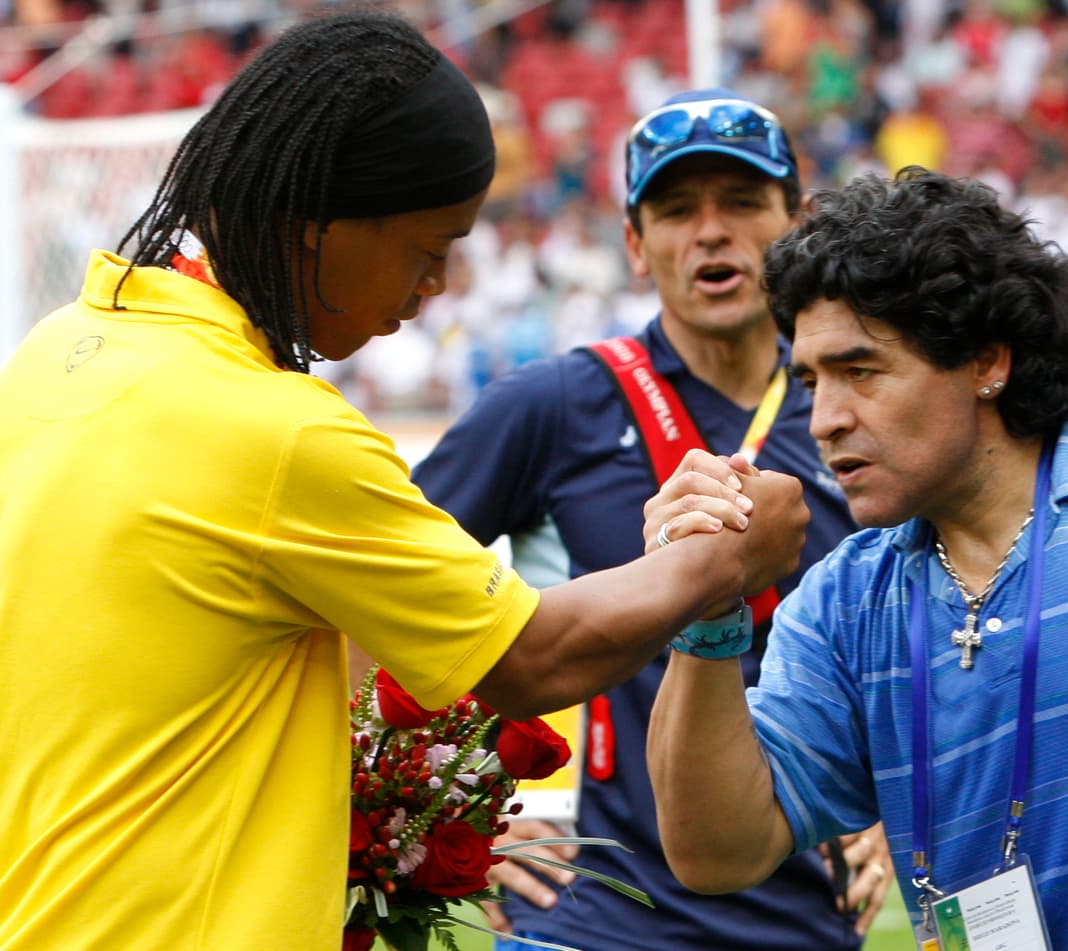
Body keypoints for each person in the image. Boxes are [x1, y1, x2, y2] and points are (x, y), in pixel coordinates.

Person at [0, 16, 808, 950]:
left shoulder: (56, 350)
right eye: (431, 245)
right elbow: (533, 657)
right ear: (320, 218)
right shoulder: (280, 433)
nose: (438, 284)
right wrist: (727, 555)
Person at [644, 167, 1068, 949]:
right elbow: (717, 850)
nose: (824, 420)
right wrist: (707, 606)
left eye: (861, 371)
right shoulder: (845, 602)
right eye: (810, 380)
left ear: (987, 360)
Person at [411, 88, 892, 951]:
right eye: (676, 209)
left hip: (808, 921)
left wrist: (888, 803)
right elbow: (382, 598)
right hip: (591, 921)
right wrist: (452, 799)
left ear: (794, 224)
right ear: (636, 244)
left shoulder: (853, 410)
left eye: (743, 203)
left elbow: (912, 644)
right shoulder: (555, 404)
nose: (711, 230)